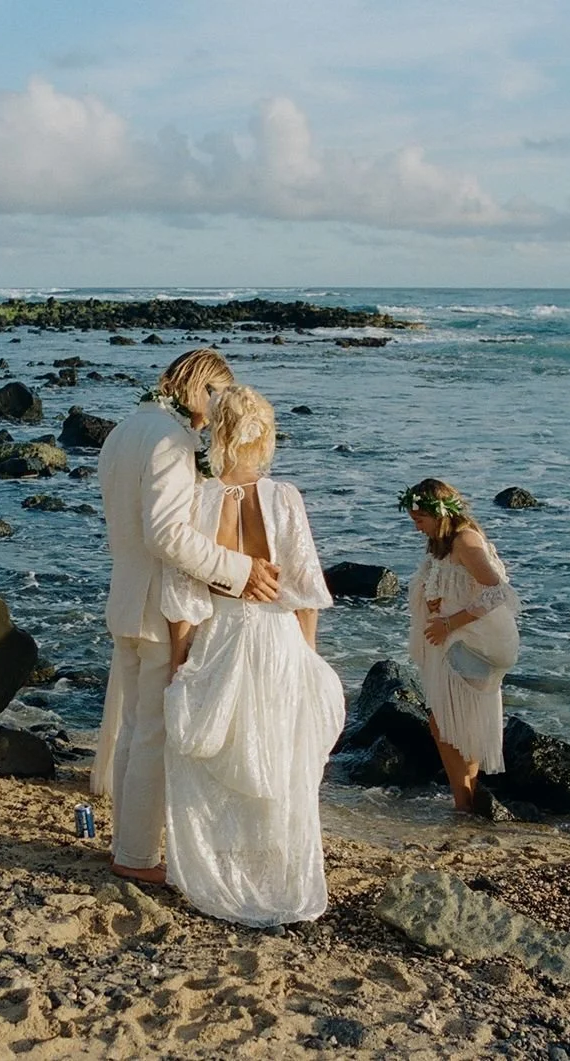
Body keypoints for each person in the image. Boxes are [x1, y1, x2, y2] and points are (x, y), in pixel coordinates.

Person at [91, 347, 281, 885]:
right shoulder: (172, 441)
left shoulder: (122, 431)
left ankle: (126, 845)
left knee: (134, 729)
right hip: (160, 604)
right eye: (217, 396)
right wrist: (239, 570)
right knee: (152, 734)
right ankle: (135, 856)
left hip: (126, 596)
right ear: (200, 387)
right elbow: (167, 534)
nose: (217, 412)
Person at [161, 385, 344, 926]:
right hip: (277, 638)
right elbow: (304, 588)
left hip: (221, 635)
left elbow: (183, 593)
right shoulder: (284, 497)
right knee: (278, 754)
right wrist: (308, 653)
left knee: (220, 754)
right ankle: (274, 871)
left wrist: (179, 659)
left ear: (217, 432)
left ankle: (223, 866)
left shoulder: (198, 498)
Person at [401, 479, 520, 811]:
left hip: (476, 642)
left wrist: (449, 623)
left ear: (439, 513)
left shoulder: (466, 540)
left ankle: (463, 802)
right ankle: (465, 799)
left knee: (447, 724)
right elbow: (451, 582)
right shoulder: (442, 543)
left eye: (419, 519)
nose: (416, 527)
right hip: (458, 639)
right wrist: (436, 601)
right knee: (454, 724)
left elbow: (498, 591)